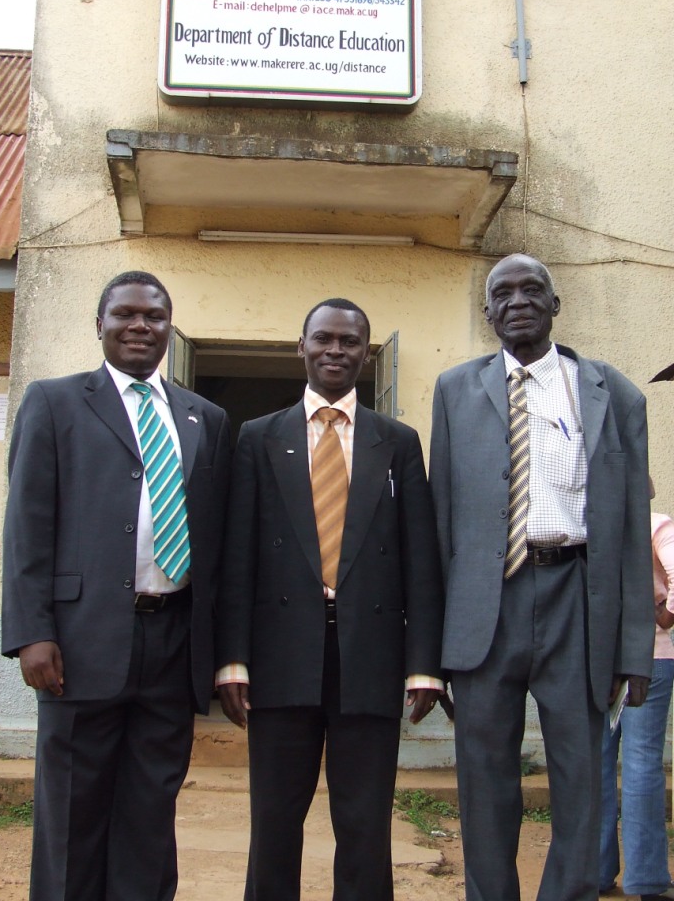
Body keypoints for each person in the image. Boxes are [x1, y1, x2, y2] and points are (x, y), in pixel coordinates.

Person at [429, 253, 654, 901]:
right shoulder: (455, 391)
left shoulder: (615, 393)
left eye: (534, 290)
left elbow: (632, 532)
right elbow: (440, 518)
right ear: (488, 311)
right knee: (484, 778)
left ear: (556, 305)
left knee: (582, 779)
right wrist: (432, 647)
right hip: (484, 609)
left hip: (578, 600)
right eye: (503, 292)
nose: (518, 300)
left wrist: (633, 646)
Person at [1, 271, 230, 901]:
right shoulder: (55, 402)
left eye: (154, 317)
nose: (139, 326)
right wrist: (31, 632)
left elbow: (215, 542)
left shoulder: (203, 417)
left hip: (173, 640)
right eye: (124, 315)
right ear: (98, 325)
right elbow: (26, 526)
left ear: (169, 328)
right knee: (73, 809)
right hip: (78, 643)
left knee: (150, 814)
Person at [216, 298, 444, 901]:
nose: (336, 350)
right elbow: (238, 557)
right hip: (280, 656)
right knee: (274, 820)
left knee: (365, 822)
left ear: (365, 353)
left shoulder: (397, 442)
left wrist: (424, 663)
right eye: (324, 339)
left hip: (368, 657)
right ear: (302, 347)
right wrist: (233, 657)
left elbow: (421, 558)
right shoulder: (259, 438)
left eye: (350, 342)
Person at [599, 487, 674, 901]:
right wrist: (661, 616)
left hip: (598, 660)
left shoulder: (593, 529)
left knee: (597, 761)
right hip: (651, 656)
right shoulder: (657, 526)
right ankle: (645, 879)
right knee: (643, 760)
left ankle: (595, 870)